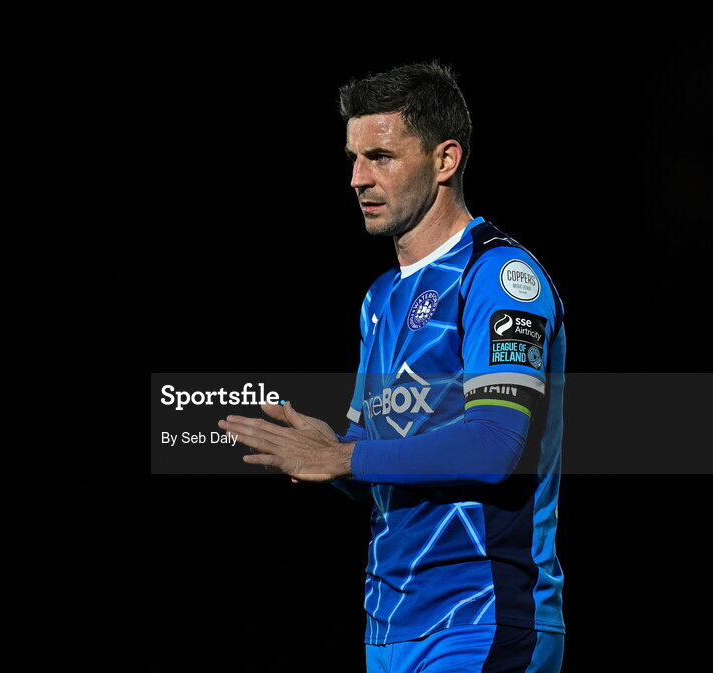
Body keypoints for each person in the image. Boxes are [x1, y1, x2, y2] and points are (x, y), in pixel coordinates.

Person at [218, 62, 566, 672]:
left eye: (380, 156)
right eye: (352, 158)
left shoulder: (502, 280)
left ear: (445, 160)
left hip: (482, 613)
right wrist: (319, 452)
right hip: (390, 622)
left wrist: (345, 458)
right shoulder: (379, 298)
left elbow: (496, 444)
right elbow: (374, 453)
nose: (357, 178)